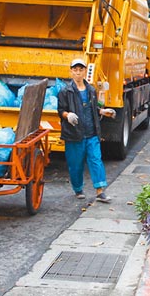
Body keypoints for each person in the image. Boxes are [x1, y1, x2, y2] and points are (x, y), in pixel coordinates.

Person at [58, 58, 116, 203]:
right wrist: (67, 115)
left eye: (81, 70)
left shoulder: (91, 90)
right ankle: (78, 189)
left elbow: (91, 108)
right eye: (75, 70)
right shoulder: (66, 91)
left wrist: (102, 111)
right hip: (74, 135)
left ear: (85, 71)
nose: (78, 73)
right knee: (75, 165)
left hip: (91, 133)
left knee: (96, 160)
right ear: (71, 71)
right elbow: (60, 110)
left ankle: (100, 191)